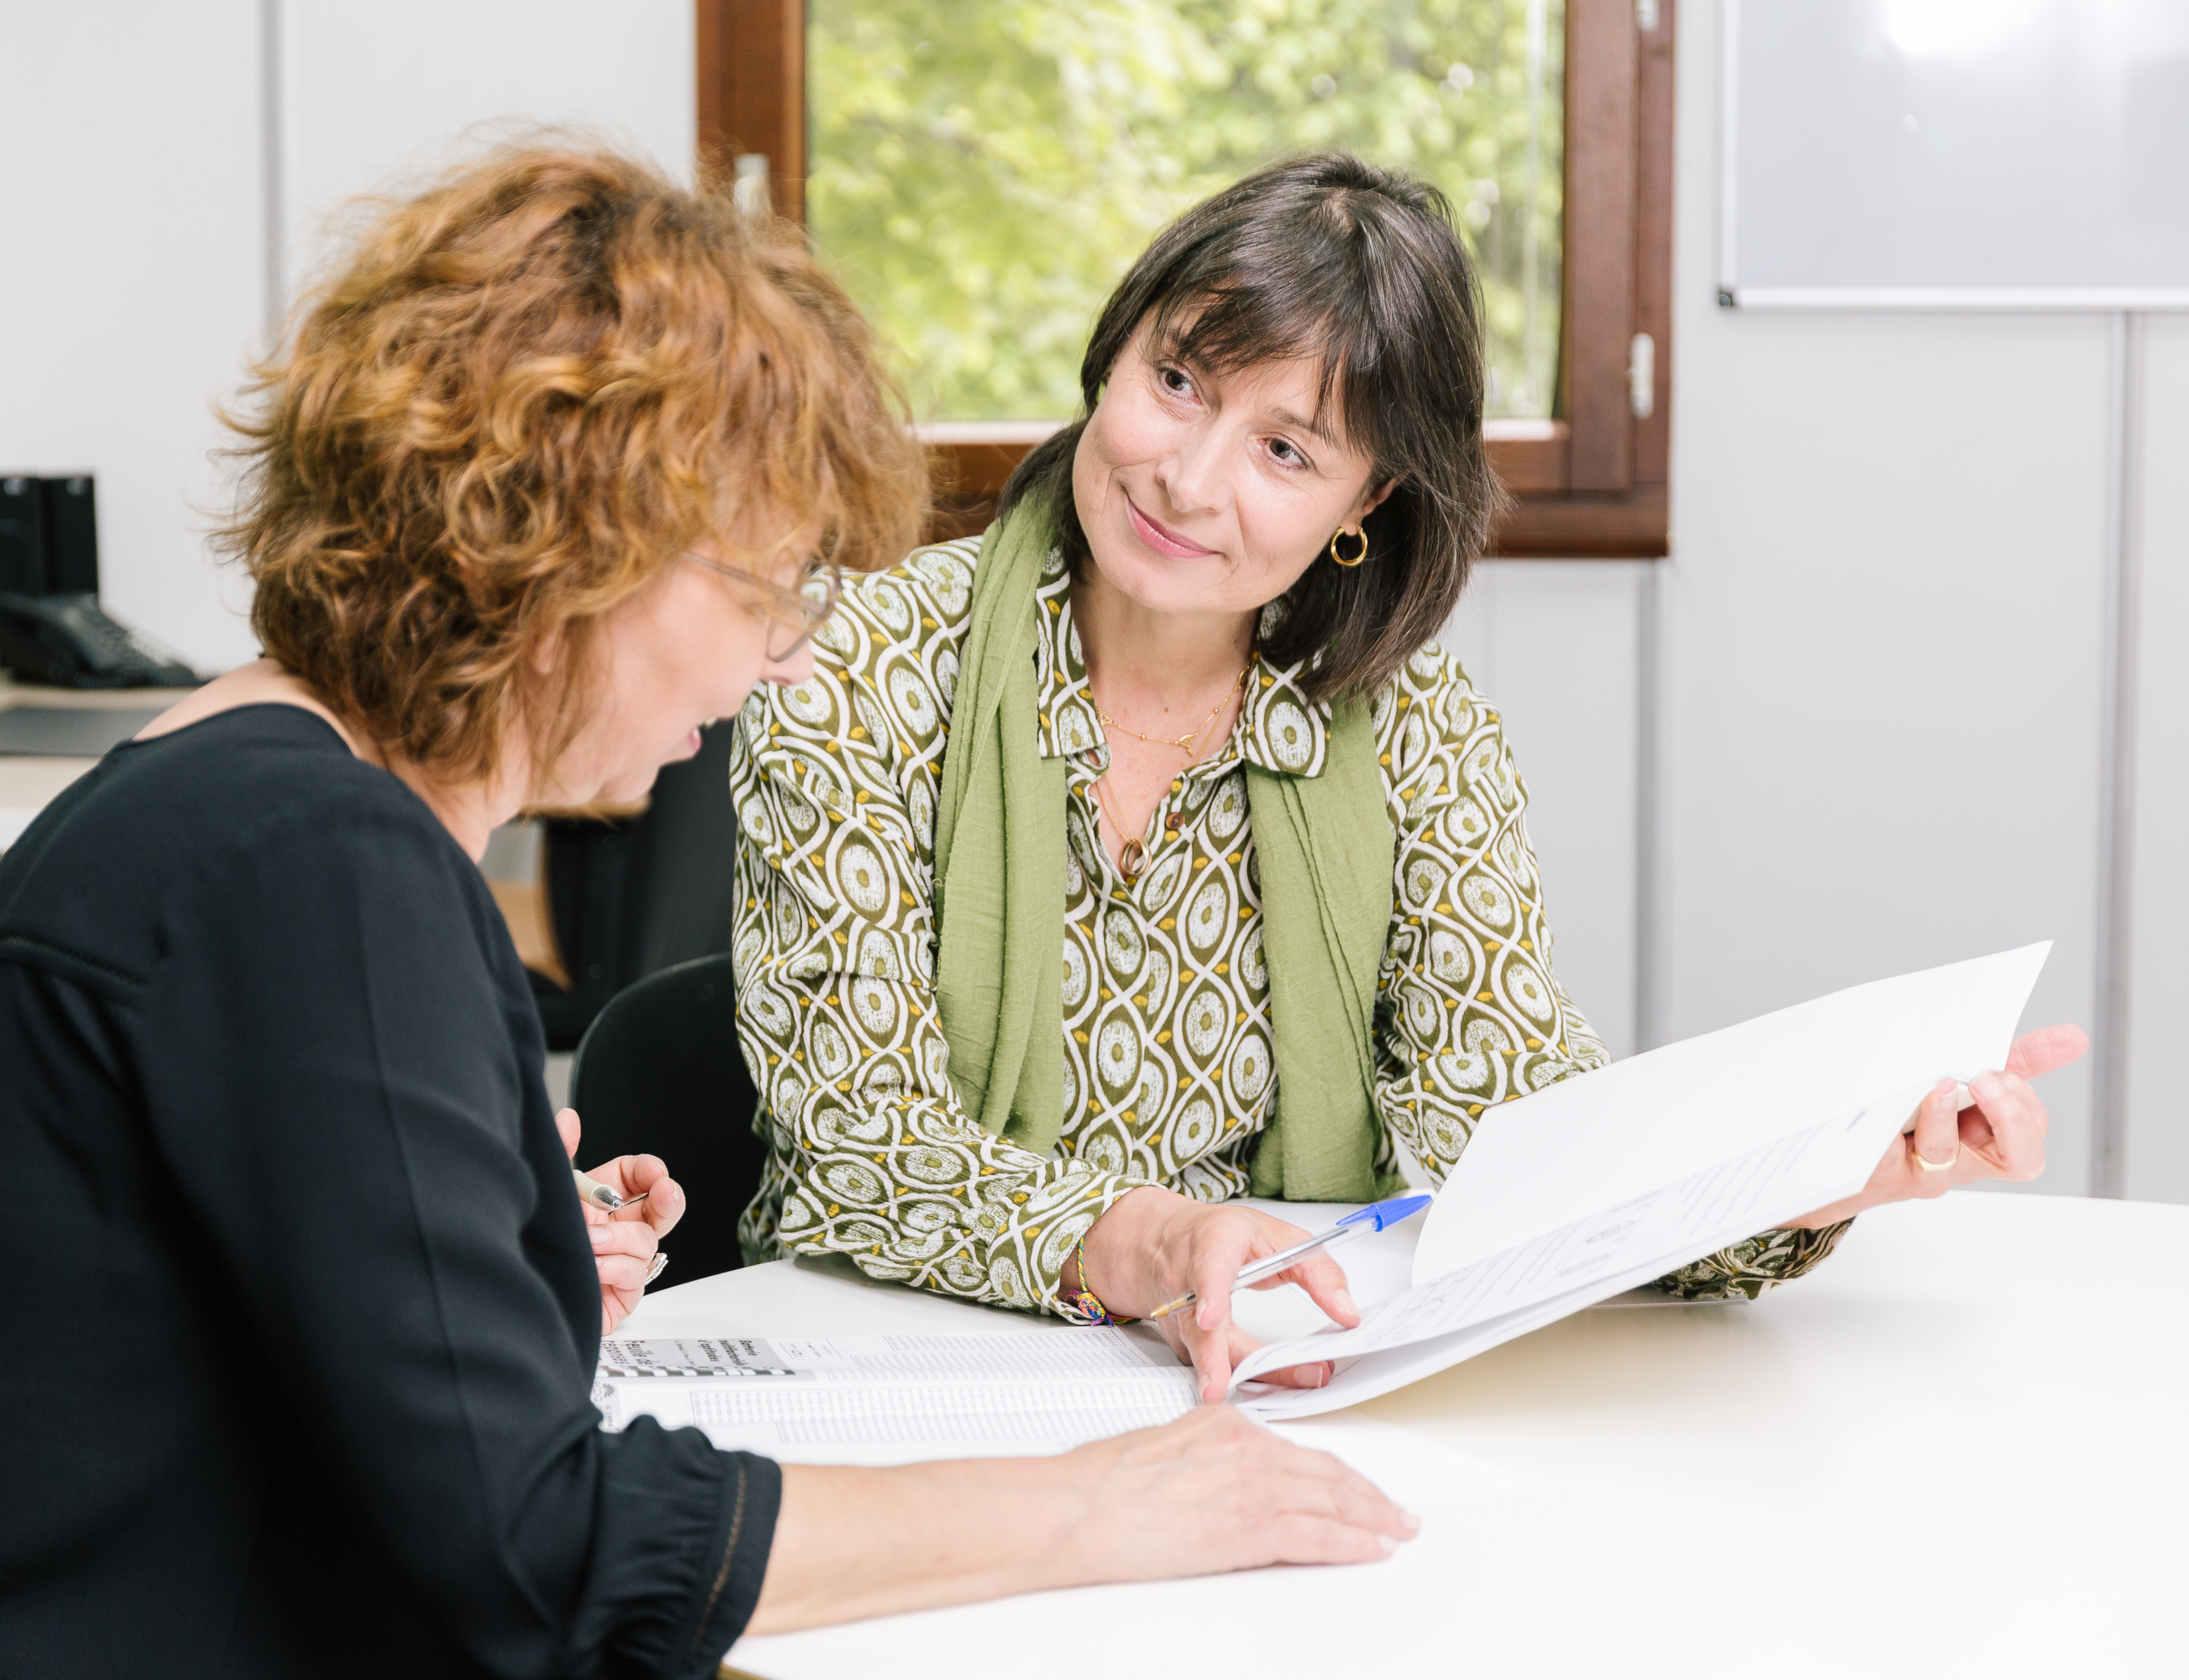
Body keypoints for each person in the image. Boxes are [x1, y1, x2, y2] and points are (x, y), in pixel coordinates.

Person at [0, 148, 1417, 1680]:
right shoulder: (327, 866)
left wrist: (491, 1259)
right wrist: (1103, 1505)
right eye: (765, 584)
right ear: (572, 550)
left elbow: (175, 1314)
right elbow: (540, 1549)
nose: (783, 658)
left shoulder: (222, 777)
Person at [729, 151, 2084, 1402]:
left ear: (1363, 508)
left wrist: (1821, 1173)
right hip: (901, 1376)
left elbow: (1530, 1139)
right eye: (1179, 383)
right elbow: (857, 1143)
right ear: (1114, 348)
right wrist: (1149, 1238)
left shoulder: (1415, 731)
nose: (1190, 479)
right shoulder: (852, 666)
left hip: (1275, 1381)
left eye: (1286, 451)